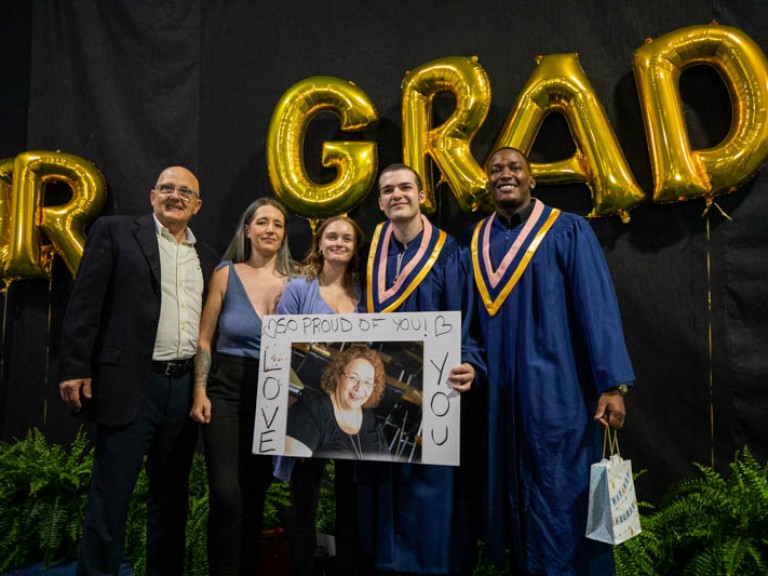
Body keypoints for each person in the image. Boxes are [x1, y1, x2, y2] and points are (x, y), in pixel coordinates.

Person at [469, 147, 635, 575]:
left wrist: (611, 383)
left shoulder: (567, 231)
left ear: (531, 178)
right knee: (512, 498)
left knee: (560, 491)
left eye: (514, 167)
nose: (505, 174)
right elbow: (466, 320)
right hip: (499, 398)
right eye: (495, 170)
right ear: (487, 182)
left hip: (557, 393)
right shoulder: (476, 242)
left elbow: (596, 308)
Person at [58, 166, 204, 576]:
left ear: (197, 205)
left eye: (185, 192)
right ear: (152, 194)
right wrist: (74, 366)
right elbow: (84, 302)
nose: (175, 196)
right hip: (130, 385)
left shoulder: (201, 255)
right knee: (111, 496)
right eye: (167, 188)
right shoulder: (116, 231)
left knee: (171, 499)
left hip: (181, 388)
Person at [357, 163, 484, 576]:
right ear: (380, 202)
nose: (397, 195)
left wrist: (471, 363)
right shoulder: (374, 253)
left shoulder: (450, 255)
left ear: (422, 196)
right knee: (384, 487)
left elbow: (467, 322)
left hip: (434, 393)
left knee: (429, 491)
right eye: (389, 190)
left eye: (406, 188)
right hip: (381, 393)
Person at [189, 197, 292, 575]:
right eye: (262, 222)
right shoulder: (225, 273)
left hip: (274, 394)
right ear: (247, 229)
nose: (270, 230)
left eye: (278, 224)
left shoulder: (296, 282)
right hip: (226, 389)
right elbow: (204, 338)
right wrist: (200, 391)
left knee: (255, 494)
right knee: (226, 494)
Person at [275, 215, 369, 576]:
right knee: (304, 506)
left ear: (355, 246)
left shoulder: (365, 290)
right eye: (332, 236)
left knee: (349, 505)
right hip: (308, 412)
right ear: (319, 243)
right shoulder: (300, 288)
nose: (339, 242)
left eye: (347, 237)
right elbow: (281, 349)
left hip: (351, 414)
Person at [285, 345, 388, 460]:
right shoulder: (312, 408)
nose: (359, 388)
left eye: (367, 383)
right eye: (353, 378)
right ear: (338, 376)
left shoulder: (370, 419)